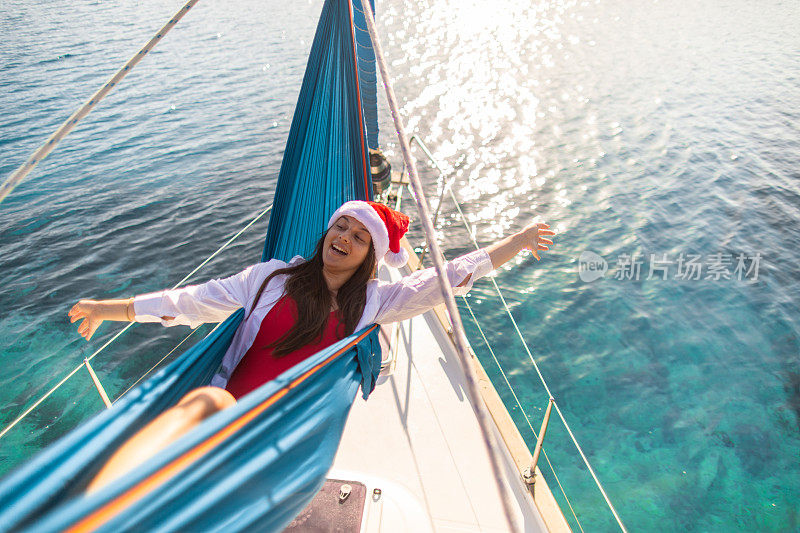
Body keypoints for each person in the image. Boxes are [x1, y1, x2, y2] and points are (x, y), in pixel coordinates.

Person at [68, 200, 555, 492]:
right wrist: (110, 309)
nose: (345, 236)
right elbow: (190, 301)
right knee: (202, 405)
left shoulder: (375, 303)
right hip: (225, 415)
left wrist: (516, 240)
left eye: (361, 236)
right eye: (342, 226)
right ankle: (100, 495)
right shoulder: (270, 278)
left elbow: (446, 278)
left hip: (286, 434)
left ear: (369, 256)